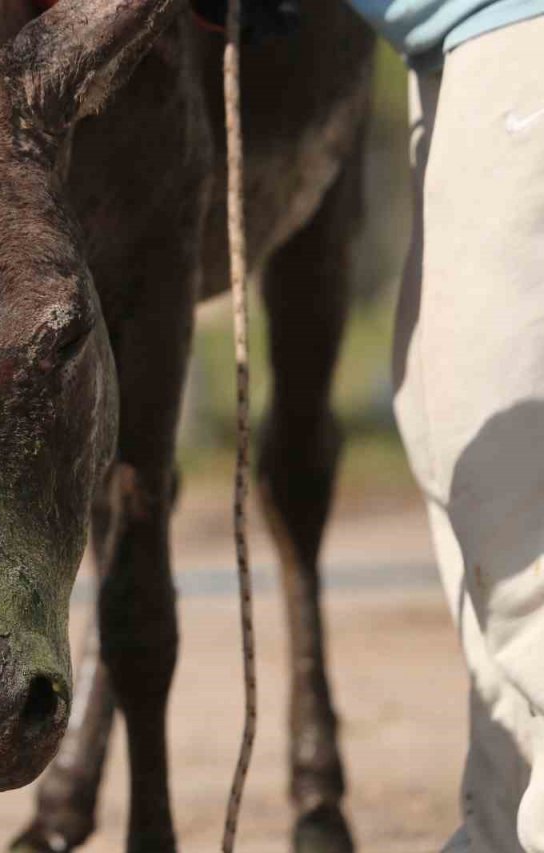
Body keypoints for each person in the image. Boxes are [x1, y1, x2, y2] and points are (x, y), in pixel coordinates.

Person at [338, 0, 544, 848]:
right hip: (450, 50)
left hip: (513, 30)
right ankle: (499, 826)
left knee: (511, 500)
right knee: (442, 440)